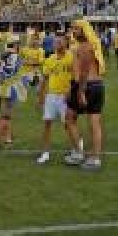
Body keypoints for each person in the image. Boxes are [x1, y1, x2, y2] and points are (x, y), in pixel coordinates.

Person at [63, 19, 107, 170]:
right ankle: (92, 157)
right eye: (72, 29)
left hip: (86, 86)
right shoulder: (90, 45)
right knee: (91, 122)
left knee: (70, 119)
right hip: (95, 85)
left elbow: (83, 72)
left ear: (84, 30)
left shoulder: (86, 46)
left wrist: (80, 91)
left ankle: (82, 154)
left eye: (76, 29)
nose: (73, 31)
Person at [38, 34, 76, 164]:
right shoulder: (50, 60)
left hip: (66, 96)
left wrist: (70, 92)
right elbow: (44, 79)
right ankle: (45, 152)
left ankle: (75, 149)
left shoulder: (72, 58)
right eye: (56, 42)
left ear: (66, 43)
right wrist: (41, 97)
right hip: (51, 96)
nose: (57, 43)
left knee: (68, 124)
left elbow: (75, 78)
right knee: (47, 124)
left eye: (60, 42)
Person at [0, 41, 26, 153]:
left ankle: (8, 138)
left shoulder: (2, 56)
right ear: (15, 46)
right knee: (5, 116)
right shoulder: (18, 58)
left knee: (5, 115)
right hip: (9, 89)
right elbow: (19, 74)